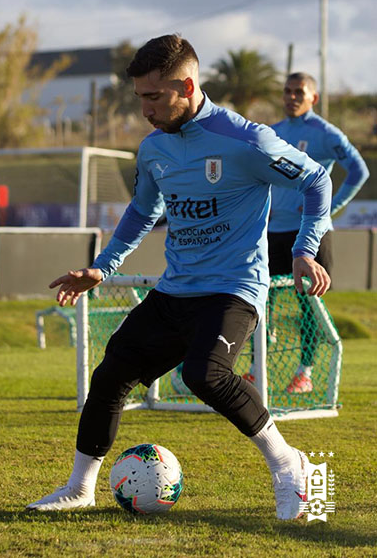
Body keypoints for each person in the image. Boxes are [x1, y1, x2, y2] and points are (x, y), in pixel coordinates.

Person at [26, 35, 332, 521]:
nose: (144, 109)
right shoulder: (153, 149)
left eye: (154, 97)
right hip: (175, 290)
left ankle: (287, 463)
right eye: (139, 98)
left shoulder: (246, 140)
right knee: (110, 374)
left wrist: (303, 251)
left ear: (187, 86)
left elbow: (317, 180)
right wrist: (102, 267)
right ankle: (78, 487)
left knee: (203, 374)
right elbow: (142, 211)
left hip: (233, 290)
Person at [262, 72, 369, 393]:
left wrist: (327, 210)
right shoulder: (273, 132)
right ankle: (258, 369)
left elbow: (358, 170)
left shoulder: (324, 133)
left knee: (307, 305)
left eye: (299, 92)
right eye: (287, 91)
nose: (292, 97)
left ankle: (304, 372)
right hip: (272, 231)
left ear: (313, 98)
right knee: (259, 298)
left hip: (309, 234)